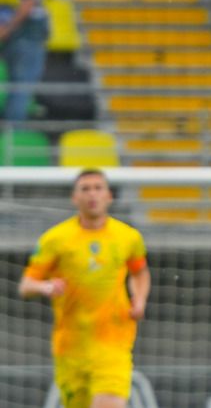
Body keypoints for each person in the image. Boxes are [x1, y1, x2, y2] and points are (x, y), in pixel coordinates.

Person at [19, 170, 151, 408]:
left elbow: (139, 272)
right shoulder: (55, 239)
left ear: (109, 196)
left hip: (113, 344)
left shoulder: (128, 237)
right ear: (74, 197)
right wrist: (46, 286)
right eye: (85, 189)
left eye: (98, 188)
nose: (92, 194)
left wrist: (139, 299)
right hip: (71, 347)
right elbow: (26, 285)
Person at [0, 0, 49, 122]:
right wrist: (8, 28)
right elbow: (26, 6)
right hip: (27, 39)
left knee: (16, 87)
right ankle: (13, 136)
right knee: (22, 88)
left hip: (14, 40)